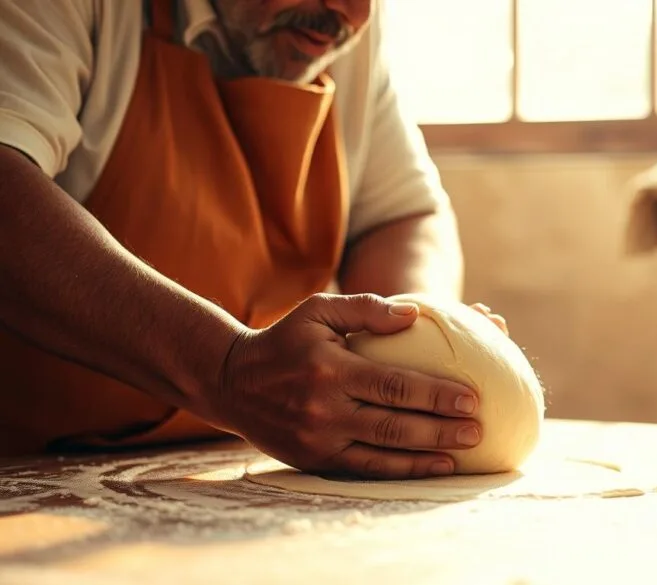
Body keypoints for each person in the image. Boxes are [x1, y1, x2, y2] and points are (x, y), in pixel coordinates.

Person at [0, 0, 507, 480]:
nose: (351, 14)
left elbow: (404, 216)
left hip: (227, 469)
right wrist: (223, 368)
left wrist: (410, 342)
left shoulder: (334, 32)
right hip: (27, 470)